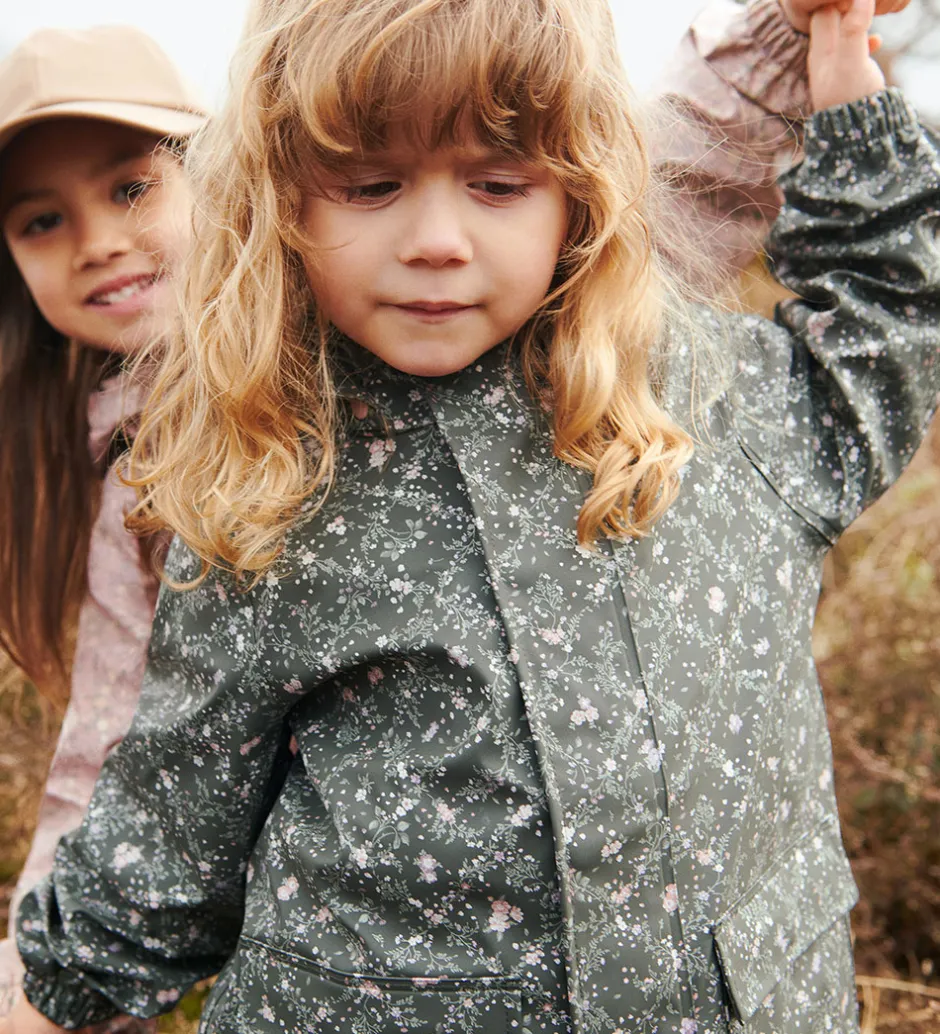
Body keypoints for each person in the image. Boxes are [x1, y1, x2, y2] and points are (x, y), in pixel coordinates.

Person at [9, 0, 940, 1031]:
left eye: (498, 184)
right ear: (279, 198)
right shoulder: (265, 475)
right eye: (371, 185)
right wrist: (54, 989)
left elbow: (883, 329)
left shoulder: (714, 401)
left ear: (582, 188)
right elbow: (167, 831)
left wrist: (843, 78)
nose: (438, 242)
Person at [0, 26, 207, 1028]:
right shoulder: (128, 466)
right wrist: (30, 978)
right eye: (42, 219)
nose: (96, 242)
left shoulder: (379, 338)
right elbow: (110, 749)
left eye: (130, 188)